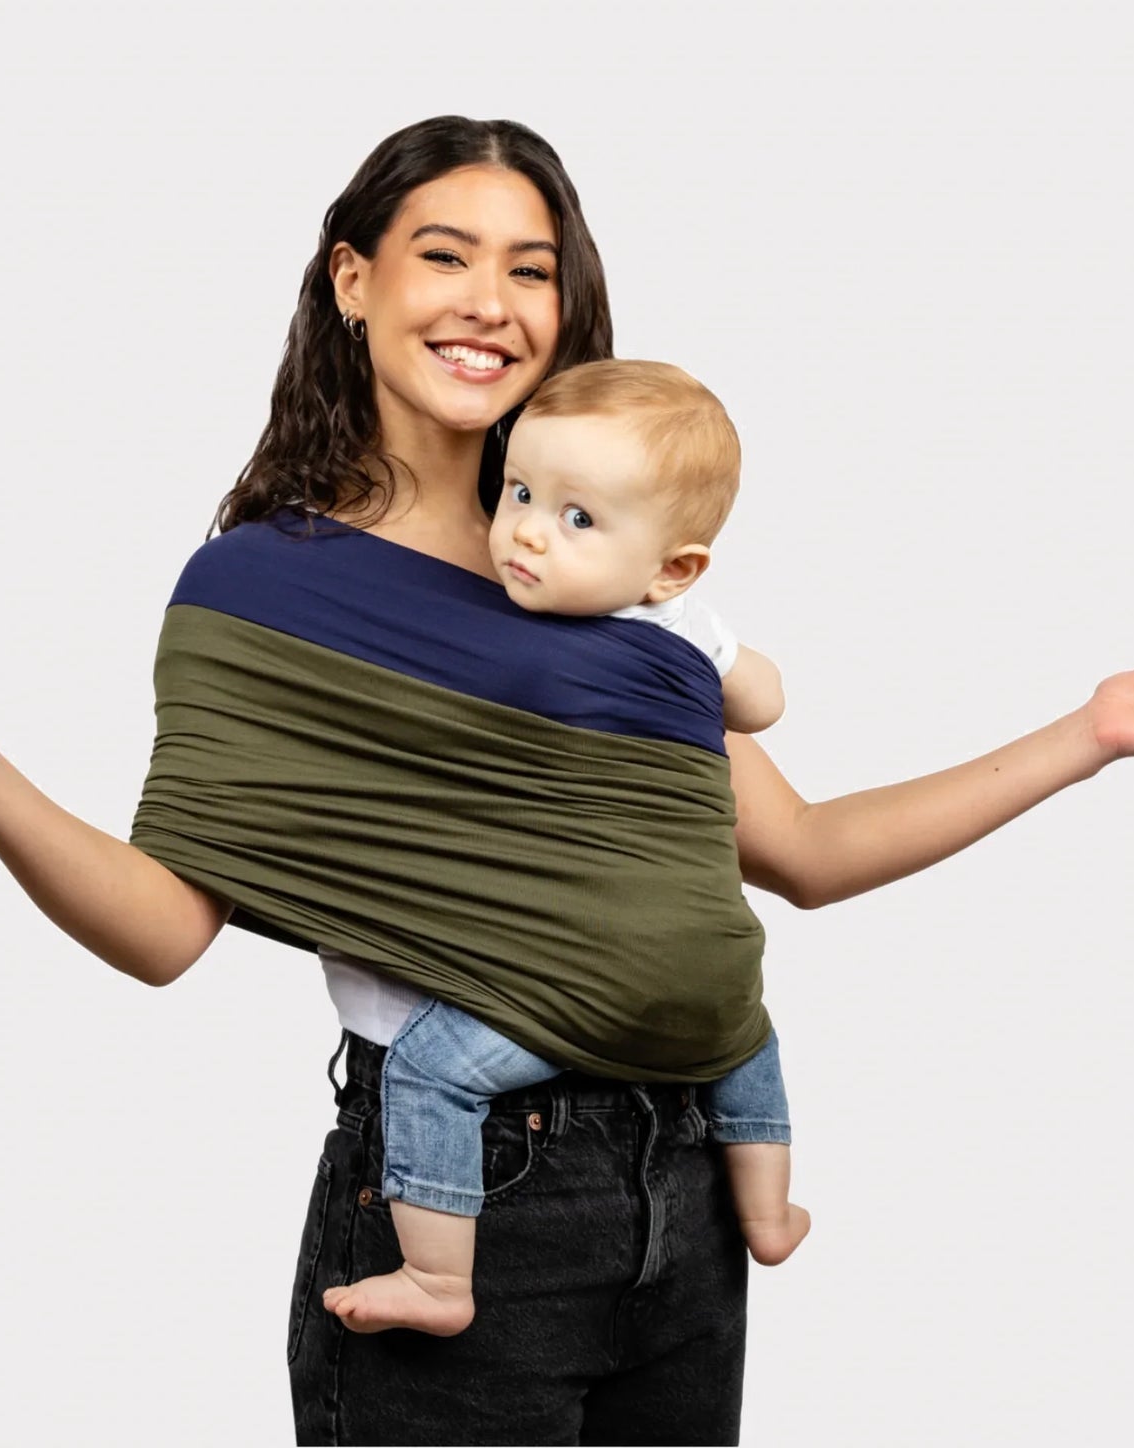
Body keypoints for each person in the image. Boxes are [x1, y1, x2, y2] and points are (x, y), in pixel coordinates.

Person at [0, 115, 1134, 1446]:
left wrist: (1088, 732)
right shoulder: (265, 590)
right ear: (354, 279)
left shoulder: (605, 580)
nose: (490, 300)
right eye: (444, 256)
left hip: (685, 1164)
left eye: (529, 269)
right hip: (455, 1188)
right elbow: (165, 933)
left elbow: (809, 854)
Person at [322, 358, 805, 1341]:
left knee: (430, 1070)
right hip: (711, 962)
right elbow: (765, 697)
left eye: (577, 518)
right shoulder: (684, 626)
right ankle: (765, 1212)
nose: (529, 530)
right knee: (740, 1036)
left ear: (673, 562)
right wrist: (716, 668)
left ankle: (433, 1274)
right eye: (520, 493)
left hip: (581, 978)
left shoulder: (512, 649)